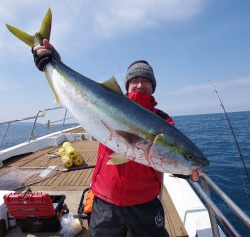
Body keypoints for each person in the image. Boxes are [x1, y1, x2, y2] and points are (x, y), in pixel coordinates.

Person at [33, 40, 200, 237]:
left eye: (145, 80)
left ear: (153, 86)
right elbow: (75, 90)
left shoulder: (163, 121)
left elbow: (169, 152)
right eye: (134, 80)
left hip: (144, 202)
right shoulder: (108, 101)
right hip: (105, 200)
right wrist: (52, 61)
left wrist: (185, 169)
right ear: (127, 85)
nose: (139, 84)